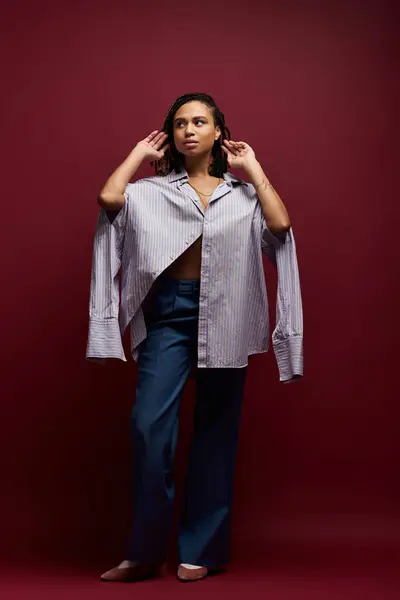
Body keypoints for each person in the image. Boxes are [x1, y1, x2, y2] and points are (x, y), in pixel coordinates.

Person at [86, 92, 303, 583]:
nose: (188, 130)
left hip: (228, 314)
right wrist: (138, 156)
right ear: (171, 134)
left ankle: (199, 550)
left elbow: (281, 225)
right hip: (169, 314)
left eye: (199, 121)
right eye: (180, 123)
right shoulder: (149, 190)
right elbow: (108, 200)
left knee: (215, 437)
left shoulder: (244, 195)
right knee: (148, 429)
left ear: (218, 134)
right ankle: (143, 553)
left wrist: (255, 169)